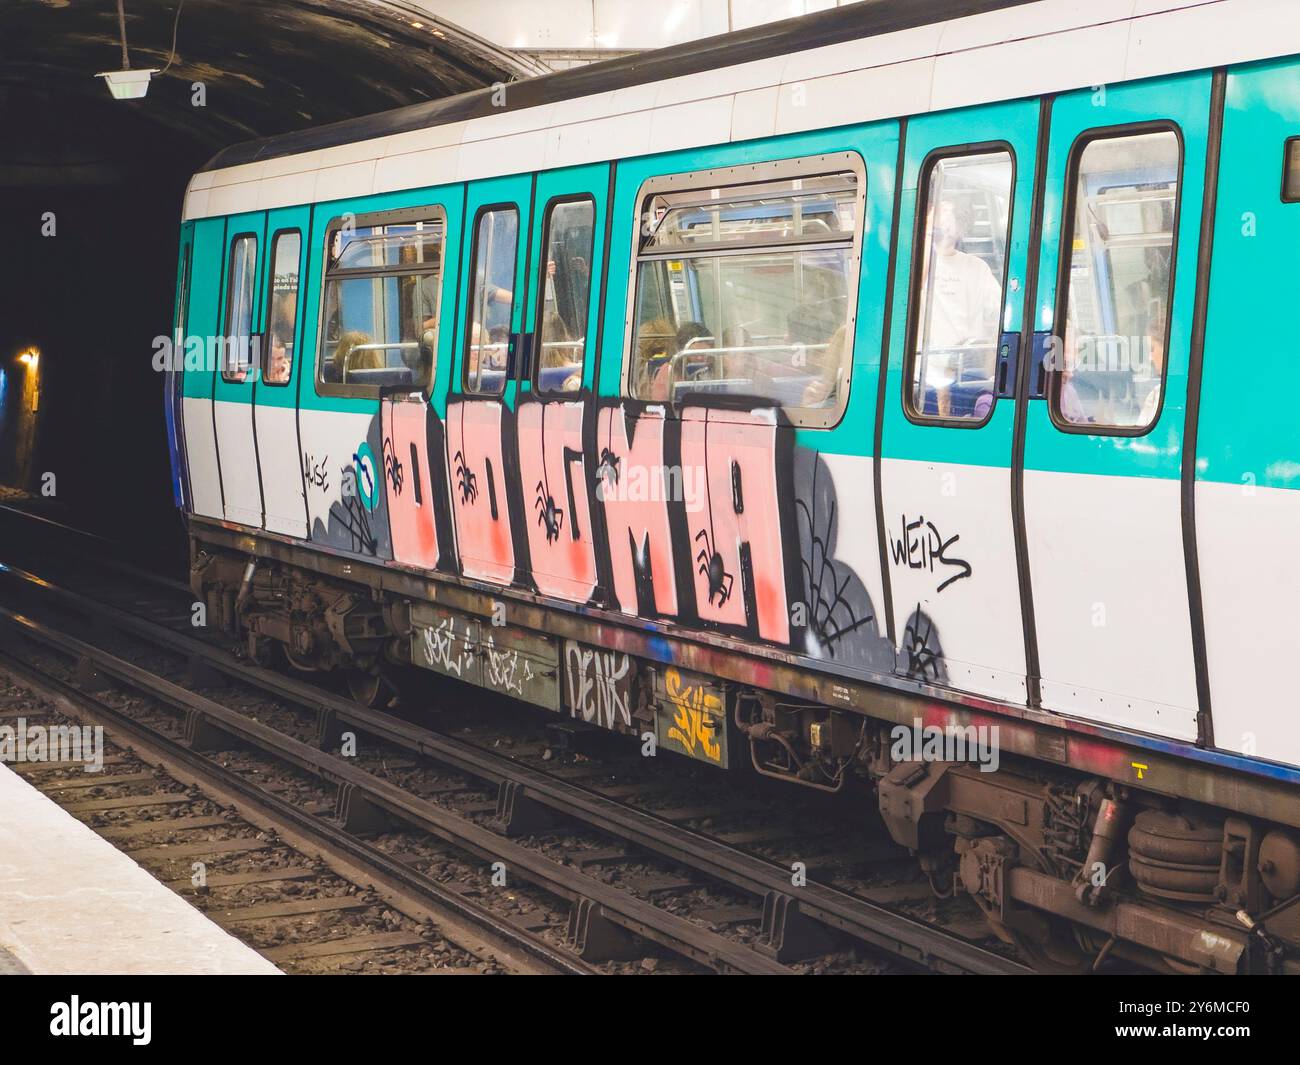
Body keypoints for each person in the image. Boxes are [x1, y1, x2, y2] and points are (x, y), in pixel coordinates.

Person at [917, 198, 1002, 416]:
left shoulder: (976, 267)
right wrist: (928, 233)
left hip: (964, 369)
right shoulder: (922, 261)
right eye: (939, 213)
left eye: (948, 214)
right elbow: (916, 282)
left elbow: (999, 309)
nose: (942, 219)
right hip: (924, 371)